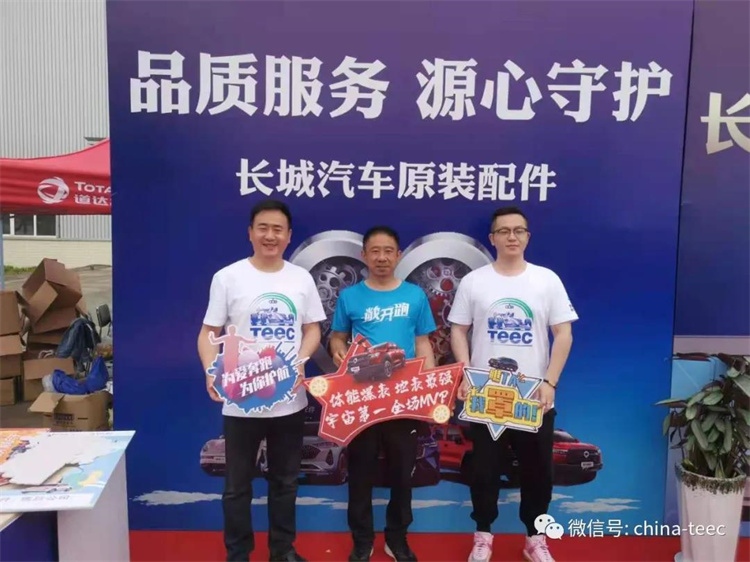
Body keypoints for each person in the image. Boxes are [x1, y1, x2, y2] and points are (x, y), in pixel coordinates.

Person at [198, 199, 326, 562]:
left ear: (289, 236)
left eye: (278, 229)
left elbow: (312, 329)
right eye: (263, 228)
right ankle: (238, 554)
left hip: (289, 400)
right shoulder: (228, 277)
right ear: (250, 233)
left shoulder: (300, 278)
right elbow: (208, 333)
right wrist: (210, 370)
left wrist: (300, 360)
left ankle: (282, 551)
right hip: (242, 400)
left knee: (285, 482)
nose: (270, 236)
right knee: (237, 486)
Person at [449, 207, 578, 562]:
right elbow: (458, 330)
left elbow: (563, 334)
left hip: (532, 397)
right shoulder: (474, 281)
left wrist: (550, 381)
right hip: (486, 396)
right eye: (503, 231)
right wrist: (465, 374)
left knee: (538, 471)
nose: (511, 237)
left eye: (518, 230)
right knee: (484, 470)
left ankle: (535, 538)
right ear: (492, 238)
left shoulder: (546, 280)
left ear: (527, 237)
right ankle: (483, 535)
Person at [329, 226, 437, 562]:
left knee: (402, 473)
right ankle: (362, 540)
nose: (381, 257)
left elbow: (423, 343)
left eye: (388, 251)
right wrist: (337, 352)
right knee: (360, 472)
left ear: (398, 255)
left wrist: (431, 388)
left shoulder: (415, 296)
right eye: (374, 251)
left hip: (403, 399)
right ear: (364, 255)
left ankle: (397, 538)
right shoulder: (350, 297)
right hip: (362, 399)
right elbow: (337, 337)